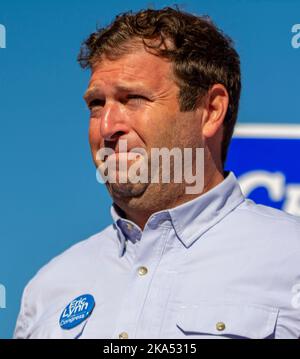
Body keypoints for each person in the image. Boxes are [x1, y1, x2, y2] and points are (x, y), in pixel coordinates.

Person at [14, 7, 300, 339]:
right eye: (96, 104)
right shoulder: (47, 290)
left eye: (133, 98)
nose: (106, 127)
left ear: (210, 111)